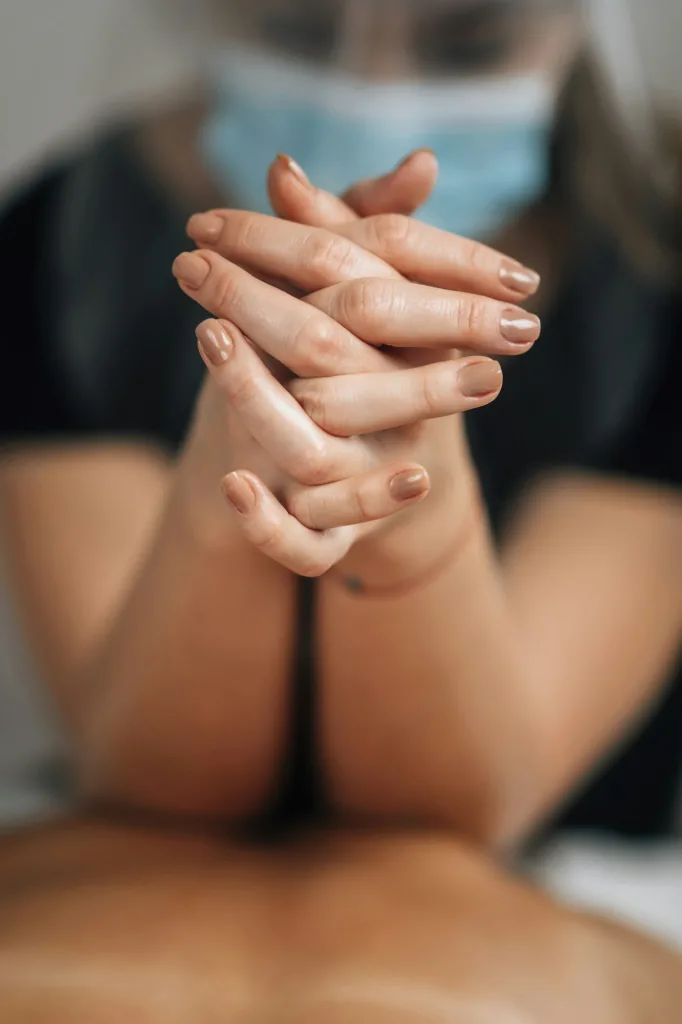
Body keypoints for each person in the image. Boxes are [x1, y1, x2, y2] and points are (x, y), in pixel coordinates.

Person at [0, 0, 681, 1014]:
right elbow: (154, 777)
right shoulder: (58, 242)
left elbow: (466, 808)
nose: (375, 87)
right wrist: (237, 444)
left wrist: (416, 486)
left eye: (468, 41)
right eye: (297, 30)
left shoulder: (661, 255)